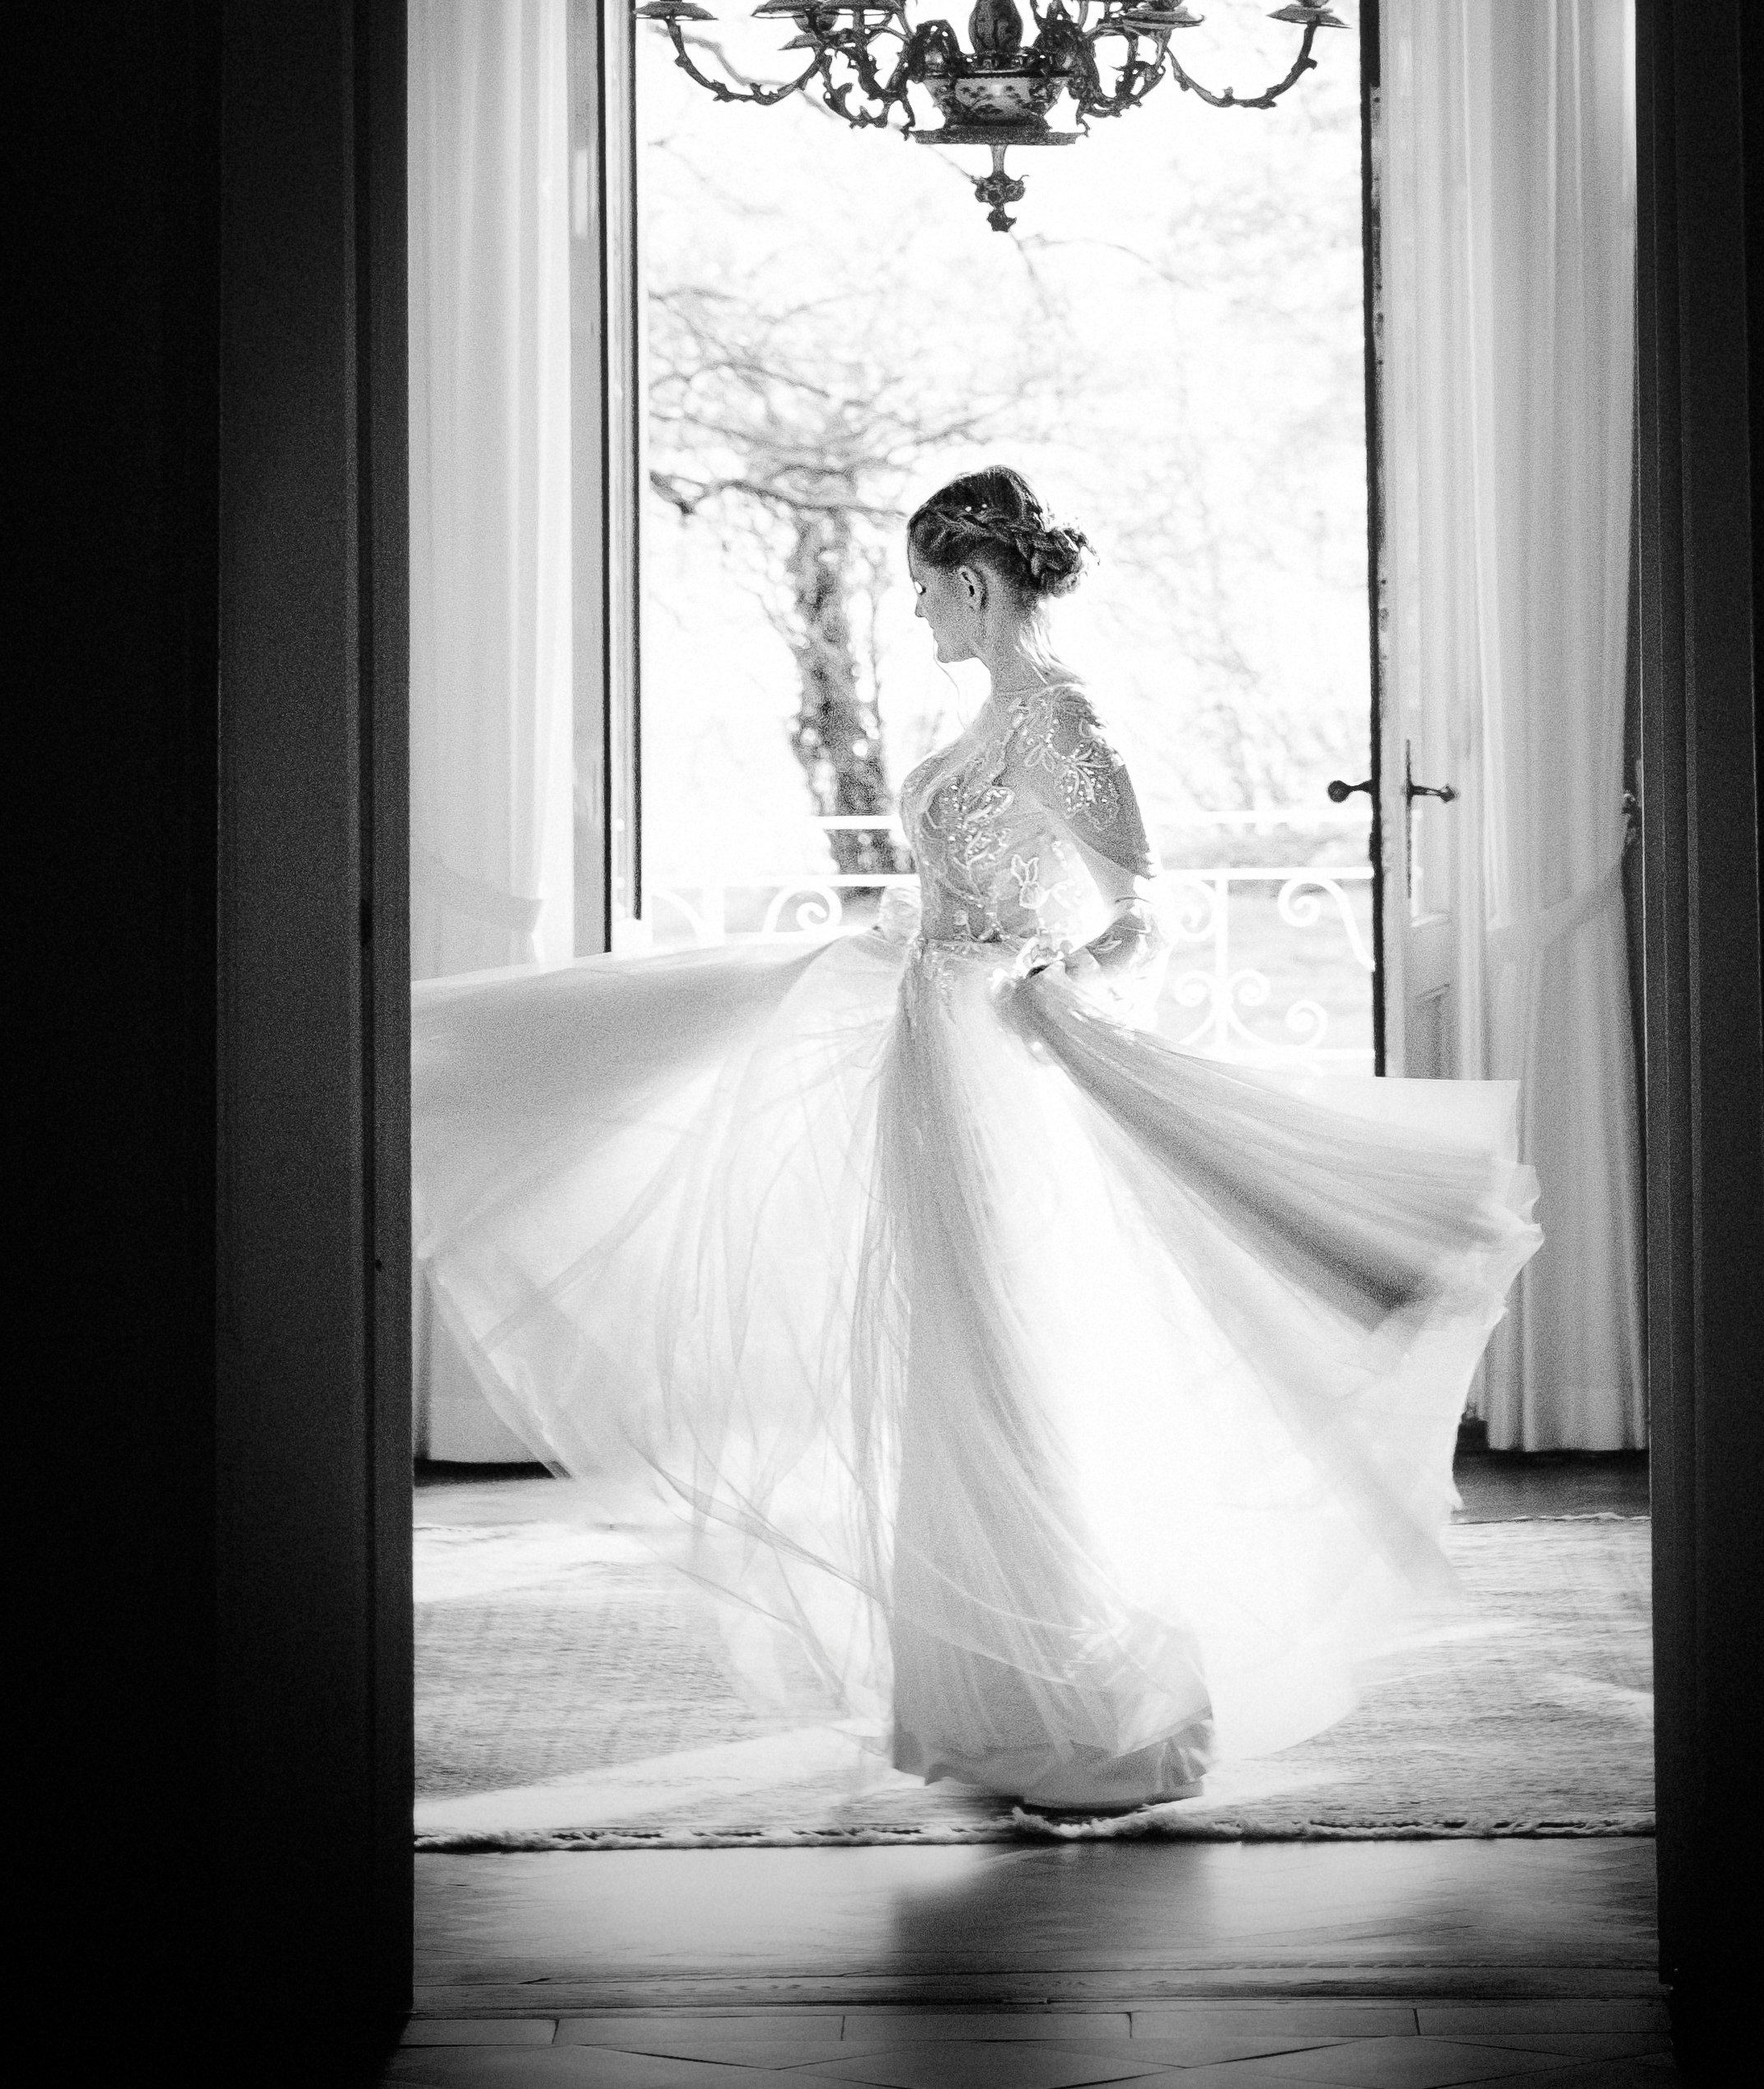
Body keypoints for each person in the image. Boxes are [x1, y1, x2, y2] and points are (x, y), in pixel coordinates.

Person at [413, 464, 1540, 1816]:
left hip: (989, 1062)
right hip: (931, 1050)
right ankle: (998, 1713)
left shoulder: (1059, 719)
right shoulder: (996, 716)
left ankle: (1084, 1712)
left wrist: (1038, 976)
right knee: (953, 1371)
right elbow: (967, 882)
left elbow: (1139, 910)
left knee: (1008, 1371)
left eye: (919, 590)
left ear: (973, 581)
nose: (915, 615)